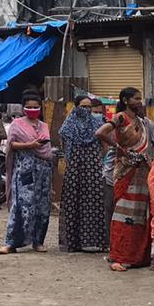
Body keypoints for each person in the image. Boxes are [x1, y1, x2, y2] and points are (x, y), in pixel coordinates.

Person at [98, 87, 154, 272]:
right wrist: (119, 148)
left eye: (140, 98)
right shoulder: (121, 118)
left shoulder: (142, 121)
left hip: (142, 171)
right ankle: (118, 256)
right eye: (136, 98)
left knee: (140, 215)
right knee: (123, 214)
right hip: (126, 171)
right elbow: (100, 133)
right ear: (125, 100)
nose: (140, 101)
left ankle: (137, 256)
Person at [0, 92, 54, 255]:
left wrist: (38, 146)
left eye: (35, 107)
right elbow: (11, 145)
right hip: (25, 170)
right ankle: (11, 243)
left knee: (42, 206)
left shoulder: (44, 125)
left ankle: (38, 241)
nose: (32, 110)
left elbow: (47, 148)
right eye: (29, 107)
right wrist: (30, 145)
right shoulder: (17, 124)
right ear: (23, 108)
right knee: (22, 205)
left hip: (43, 171)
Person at [57, 95, 108, 252]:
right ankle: (74, 242)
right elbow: (64, 146)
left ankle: (95, 242)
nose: (86, 110)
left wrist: (96, 160)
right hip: (75, 169)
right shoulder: (68, 126)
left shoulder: (97, 124)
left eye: (89, 107)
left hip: (93, 169)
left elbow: (104, 146)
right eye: (83, 107)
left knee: (94, 201)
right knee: (74, 201)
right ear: (76, 107)